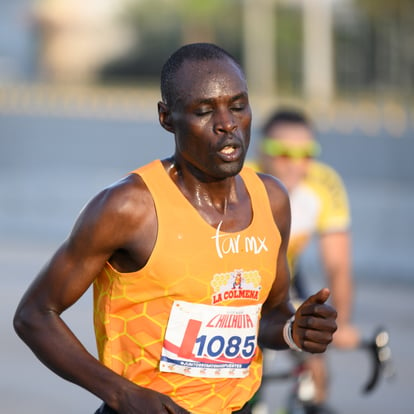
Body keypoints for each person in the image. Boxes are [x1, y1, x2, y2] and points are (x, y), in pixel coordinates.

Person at [13, 43, 337, 414]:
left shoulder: (272, 200)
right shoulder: (130, 207)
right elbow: (35, 314)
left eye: (237, 106)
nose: (227, 124)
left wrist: (294, 330)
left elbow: (268, 314)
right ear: (167, 118)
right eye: (203, 111)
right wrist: (121, 394)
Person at [252, 109, 360, 413]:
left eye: (306, 154)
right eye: (282, 152)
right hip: (242, 281)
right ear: (262, 151)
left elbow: (338, 265)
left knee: (315, 366)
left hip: (285, 277)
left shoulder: (324, 184)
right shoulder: (243, 180)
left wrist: (343, 323)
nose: (295, 163)